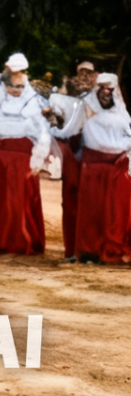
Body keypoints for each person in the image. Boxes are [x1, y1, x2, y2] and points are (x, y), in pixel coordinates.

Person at [0, 53, 50, 259]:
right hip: (0, 153)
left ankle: (22, 240)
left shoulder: (31, 97)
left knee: (19, 198)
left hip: (21, 154)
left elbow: (36, 126)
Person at [60, 73, 131, 265]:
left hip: (117, 167)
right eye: (104, 88)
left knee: (115, 213)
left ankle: (111, 249)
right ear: (98, 89)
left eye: (111, 89)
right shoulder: (85, 108)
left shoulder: (121, 114)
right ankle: (90, 251)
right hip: (92, 166)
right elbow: (71, 132)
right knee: (92, 211)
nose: (107, 92)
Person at [52, 60, 97, 261]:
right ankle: (71, 248)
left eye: (89, 72)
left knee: (92, 202)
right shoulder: (66, 98)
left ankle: (90, 247)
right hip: (73, 151)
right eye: (82, 72)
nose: (85, 76)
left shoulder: (102, 99)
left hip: (93, 153)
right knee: (70, 199)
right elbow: (56, 116)